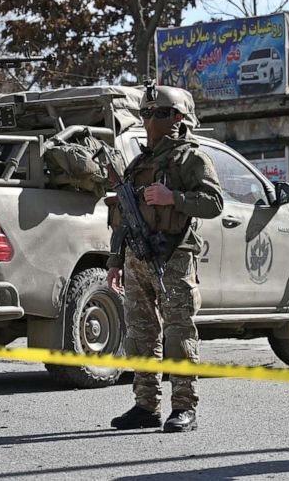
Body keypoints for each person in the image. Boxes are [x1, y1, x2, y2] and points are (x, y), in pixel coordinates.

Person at [106, 84, 223, 433]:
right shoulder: (140, 163)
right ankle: (146, 405)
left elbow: (214, 203)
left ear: (177, 117)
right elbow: (122, 217)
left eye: (158, 114)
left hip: (174, 255)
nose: (150, 121)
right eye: (145, 114)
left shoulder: (192, 158)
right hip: (137, 257)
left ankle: (184, 407)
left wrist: (174, 197)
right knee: (141, 333)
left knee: (178, 333)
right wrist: (115, 261)